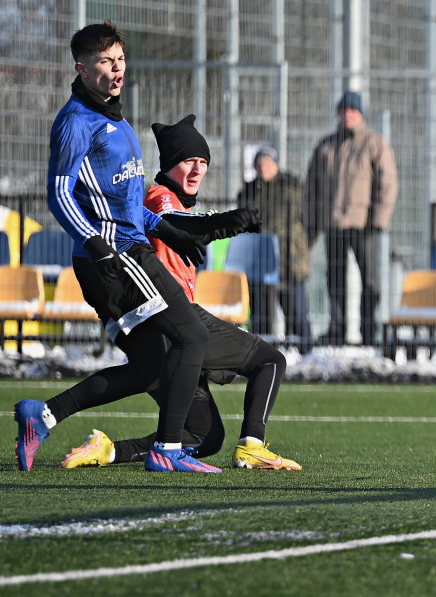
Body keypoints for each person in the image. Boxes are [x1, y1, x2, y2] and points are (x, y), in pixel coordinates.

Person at [16, 21, 218, 473]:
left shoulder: (117, 119)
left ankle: (43, 415)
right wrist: (93, 241)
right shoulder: (75, 122)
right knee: (194, 335)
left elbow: (124, 204)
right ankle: (166, 452)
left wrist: (168, 231)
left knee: (149, 366)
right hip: (115, 259)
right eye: (106, 61)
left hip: (126, 251)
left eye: (120, 59)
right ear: (82, 68)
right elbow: (60, 194)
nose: (117, 68)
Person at [59, 115, 301, 471]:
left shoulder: (171, 200)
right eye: (189, 161)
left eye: (203, 162)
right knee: (270, 361)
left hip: (166, 334)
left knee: (203, 436)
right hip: (176, 324)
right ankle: (252, 445)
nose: (197, 169)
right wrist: (222, 223)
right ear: (169, 164)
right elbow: (178, 224)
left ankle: (107, 449)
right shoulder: (159, 197)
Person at [304, 91, 398, 345]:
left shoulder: (374, 144)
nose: (347, 115)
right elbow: (311, 186)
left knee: (370, 281)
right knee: (335, 280)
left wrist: (377, 220)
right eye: (343, 110)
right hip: (333, 224)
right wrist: (313, 221)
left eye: (352, 111)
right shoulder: (326, 146)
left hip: (364, 225)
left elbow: (387, 184)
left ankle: (369, 331)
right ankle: (337, 330)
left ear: (361, 115)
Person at [236, 146, 312, 338]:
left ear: (275, 163)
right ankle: (262, 349)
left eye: (268, 162)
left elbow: (310, 218)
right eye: (259, 163)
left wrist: (303, 243)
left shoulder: (293, 187)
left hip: (291, 257)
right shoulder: (248, 192)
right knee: (261, 313)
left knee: (296, 311)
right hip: (259, 259)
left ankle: (303, 347)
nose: (264, 166)